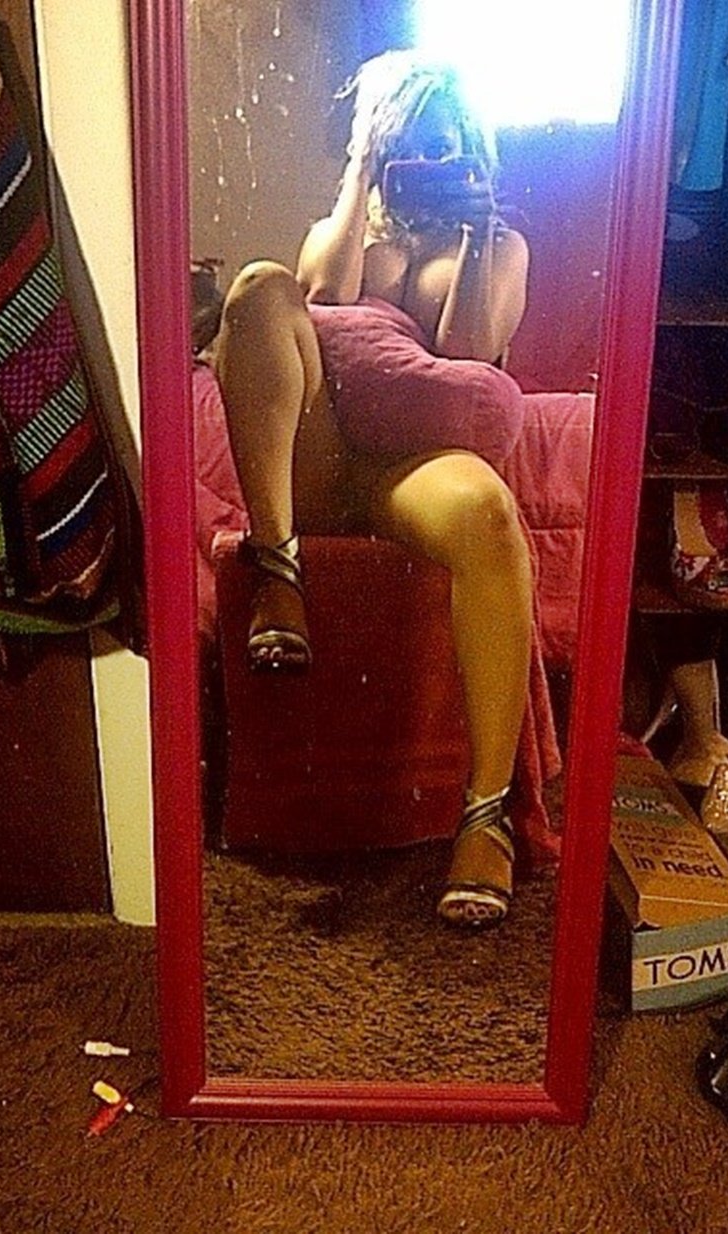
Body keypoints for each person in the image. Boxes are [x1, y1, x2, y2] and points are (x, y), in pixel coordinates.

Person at [211, 51, 534, 928]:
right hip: (324, 455)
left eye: (445, 142)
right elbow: (321, 293)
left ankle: (487, 818)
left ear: (472, 146)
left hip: (412, 472)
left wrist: (476, 231)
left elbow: (470, 349)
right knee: (260, 285)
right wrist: (361, 163)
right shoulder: (346, 226)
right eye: (411, 142)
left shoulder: (501, 244)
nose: (429, 159)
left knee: (489, 514)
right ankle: (279, 572)